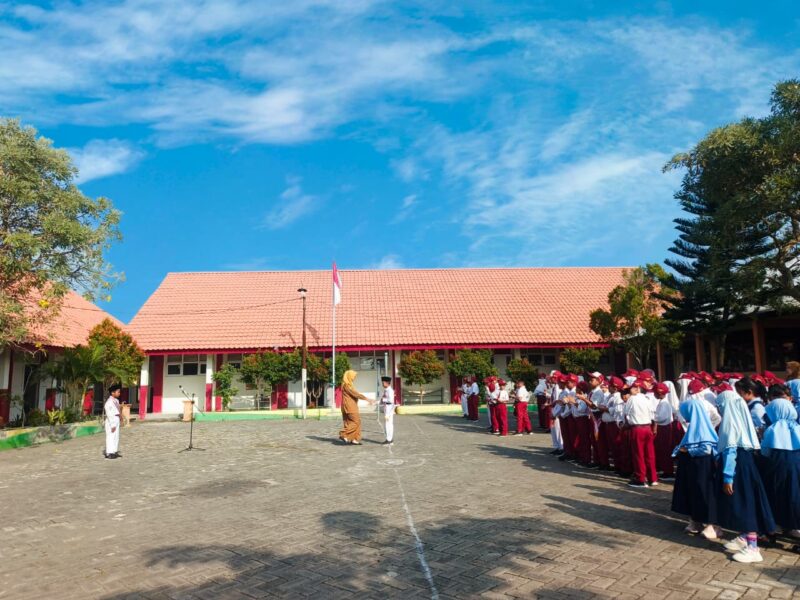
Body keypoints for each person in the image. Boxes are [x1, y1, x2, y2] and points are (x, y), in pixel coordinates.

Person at [716, 378, 777, 563]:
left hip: (737, 468)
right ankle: (744, 536)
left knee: (744, 504)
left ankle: (753, 547)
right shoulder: (742, 422)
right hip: (746, 464)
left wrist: (727, 477)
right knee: (747, 500)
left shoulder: (730, 424)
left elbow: (730, 450)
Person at [671, 397, 720, 540]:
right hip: (691, 465)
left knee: (704, 492)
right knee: (691, 491)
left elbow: (706, 448)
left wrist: (689, 451)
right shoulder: (692, 427)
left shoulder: (703, 427)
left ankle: (712, 524)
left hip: (703, 465)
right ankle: (695, 519)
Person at [758, 386, 800, 539]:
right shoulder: (796, 426)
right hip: (797, 464)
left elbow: (765, 451)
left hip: (777, 466)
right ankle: (793, 526)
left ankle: (777, 525)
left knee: (779, 496)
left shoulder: (773, 429)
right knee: (794, 495)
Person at [624, 380, 658, 488]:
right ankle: (652, 478)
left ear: (637, 388)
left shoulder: (632, 399)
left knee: (638, 454)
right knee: (649, 454)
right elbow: (653, 415)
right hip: (647, 427)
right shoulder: (647, 398)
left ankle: (640, 479)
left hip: (637, 428)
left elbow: (626, 413)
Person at [339, 370, 374, 445]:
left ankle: (354, 439)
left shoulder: (347, 385)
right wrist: (367, 399)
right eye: (353, 376)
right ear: (349, 376)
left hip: (347, 407)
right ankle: (344, 434)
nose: (354, 378)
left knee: (350, 422)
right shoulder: (347, 386)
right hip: (350, 407)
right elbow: (355, 394)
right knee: (356, 421)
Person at [653, 383, 676, 481]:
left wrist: (653, 417)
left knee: (666, 450)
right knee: (663, 449)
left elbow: (662, 417)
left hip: (665, 428)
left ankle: (668, 472)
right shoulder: (663, 402)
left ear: (659, 393)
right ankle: (665, 469)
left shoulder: (664, 404)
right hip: (663, 427)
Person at [104, 384, 122, 459]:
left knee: (116, 436)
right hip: (111, 420)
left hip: (116, 419)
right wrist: (112, 425)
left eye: (119, 392)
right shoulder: (109, 402)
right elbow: (109, 414)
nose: (119, 393)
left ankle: (114, 451)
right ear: (112, 393)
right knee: (110, 436)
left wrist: (120, 417)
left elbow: (118, 410)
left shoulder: (116, 401)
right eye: (118, 392)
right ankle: (109, 453)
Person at [379, 376, 396, 445]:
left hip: (389, 409)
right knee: (388, 424)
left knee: (388, 424)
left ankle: (389, 439)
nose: (382, 384)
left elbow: (391, 400)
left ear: (387, 383)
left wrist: (383, 399)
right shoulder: (386, 390)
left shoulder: (390, 390)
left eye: (383, 383)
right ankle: (389, 439)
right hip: (387, 408)